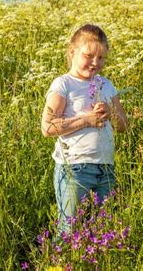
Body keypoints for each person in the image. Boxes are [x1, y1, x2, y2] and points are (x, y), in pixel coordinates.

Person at [41, 24, 128, 235]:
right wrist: (86, 120)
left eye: (101, 58)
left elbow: (123, 126)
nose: (95, 63)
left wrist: (110, 112)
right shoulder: (64, 84)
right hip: (74, 170)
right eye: (89, 56)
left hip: (106, 169)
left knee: (102, 231)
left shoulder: (107, 85)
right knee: (68, 231)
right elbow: (47, 127)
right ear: (72, 52)